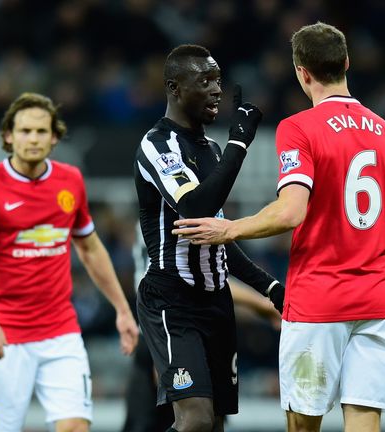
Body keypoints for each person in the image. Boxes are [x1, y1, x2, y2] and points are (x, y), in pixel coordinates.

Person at [172, 22, 385, 432]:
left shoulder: (299, 128)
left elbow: (290, 212)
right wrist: (363, 247)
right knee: (364, 422)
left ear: (301, 72)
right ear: (346, 63)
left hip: (317, 301)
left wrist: (229, 230)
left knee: (303, 426)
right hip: (376, 303)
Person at [0, 92, 139, 432]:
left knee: (75, 427)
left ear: (55, 137)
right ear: (8, 136)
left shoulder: (70, 180)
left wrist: (122, 309)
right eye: (24, 131)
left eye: (41, 131)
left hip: (61, 333)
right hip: (4, 335)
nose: (33, 139)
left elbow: (91, 249)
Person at [134, 44, 285, 432]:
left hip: (216, 303)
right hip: (172, 299)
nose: (217, 90)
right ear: (174, 88)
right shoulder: (158, 145)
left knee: (215, 424)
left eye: (218, 81)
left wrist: (269, 287)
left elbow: (216, 234)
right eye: (205, 81)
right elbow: (195, 209)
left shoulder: (211, 150)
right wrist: (239, 143)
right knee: (195, 421)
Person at [122, 224, 281, 432]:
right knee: (184, 421)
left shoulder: (199, 215)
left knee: (210, 421)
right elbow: (189, 282)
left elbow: (213, 277)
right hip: (167, 335)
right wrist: (263, 303)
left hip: (196, 333)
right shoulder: (166, 218)